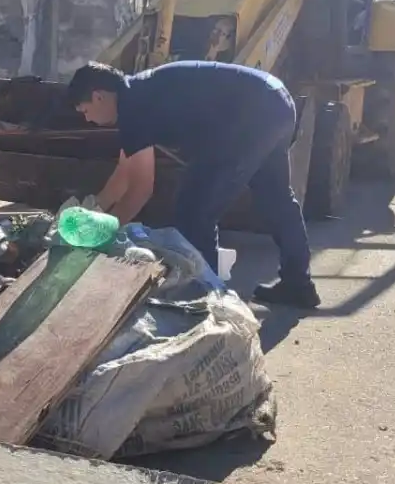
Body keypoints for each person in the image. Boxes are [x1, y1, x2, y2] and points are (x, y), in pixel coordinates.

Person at [66, 60, 319, 309]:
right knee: (276, 198)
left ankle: (206, 300)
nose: (88, 120)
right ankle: (298, 285)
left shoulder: (133, 110)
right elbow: (124, 174)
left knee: (194, 209)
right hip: (276, 100)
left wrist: (102, 236)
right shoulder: (138, 93)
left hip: (248, 117)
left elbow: (140, 189)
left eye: (85, 111)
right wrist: (95, 209)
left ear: (99, 97)